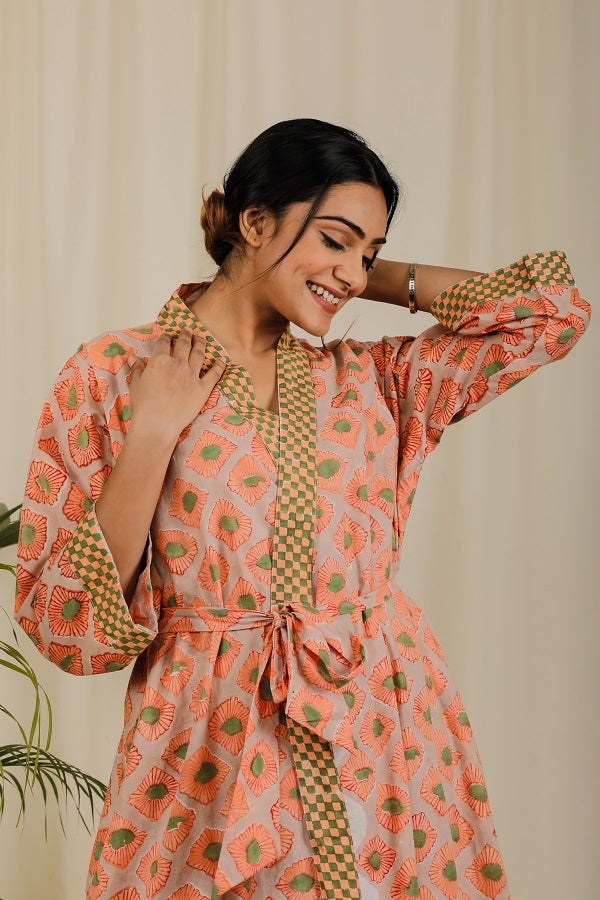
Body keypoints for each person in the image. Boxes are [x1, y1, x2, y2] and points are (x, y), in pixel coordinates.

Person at [15, 118, 590, 900]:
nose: (353, 272)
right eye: (336, 238)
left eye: (370, 252)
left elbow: (552, 313)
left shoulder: (375, 383)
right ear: (255, 222)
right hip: (206, 751)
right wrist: (152, 432)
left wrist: (352, 273)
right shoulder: (112, 373)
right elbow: (67, 621)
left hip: (381, 741)